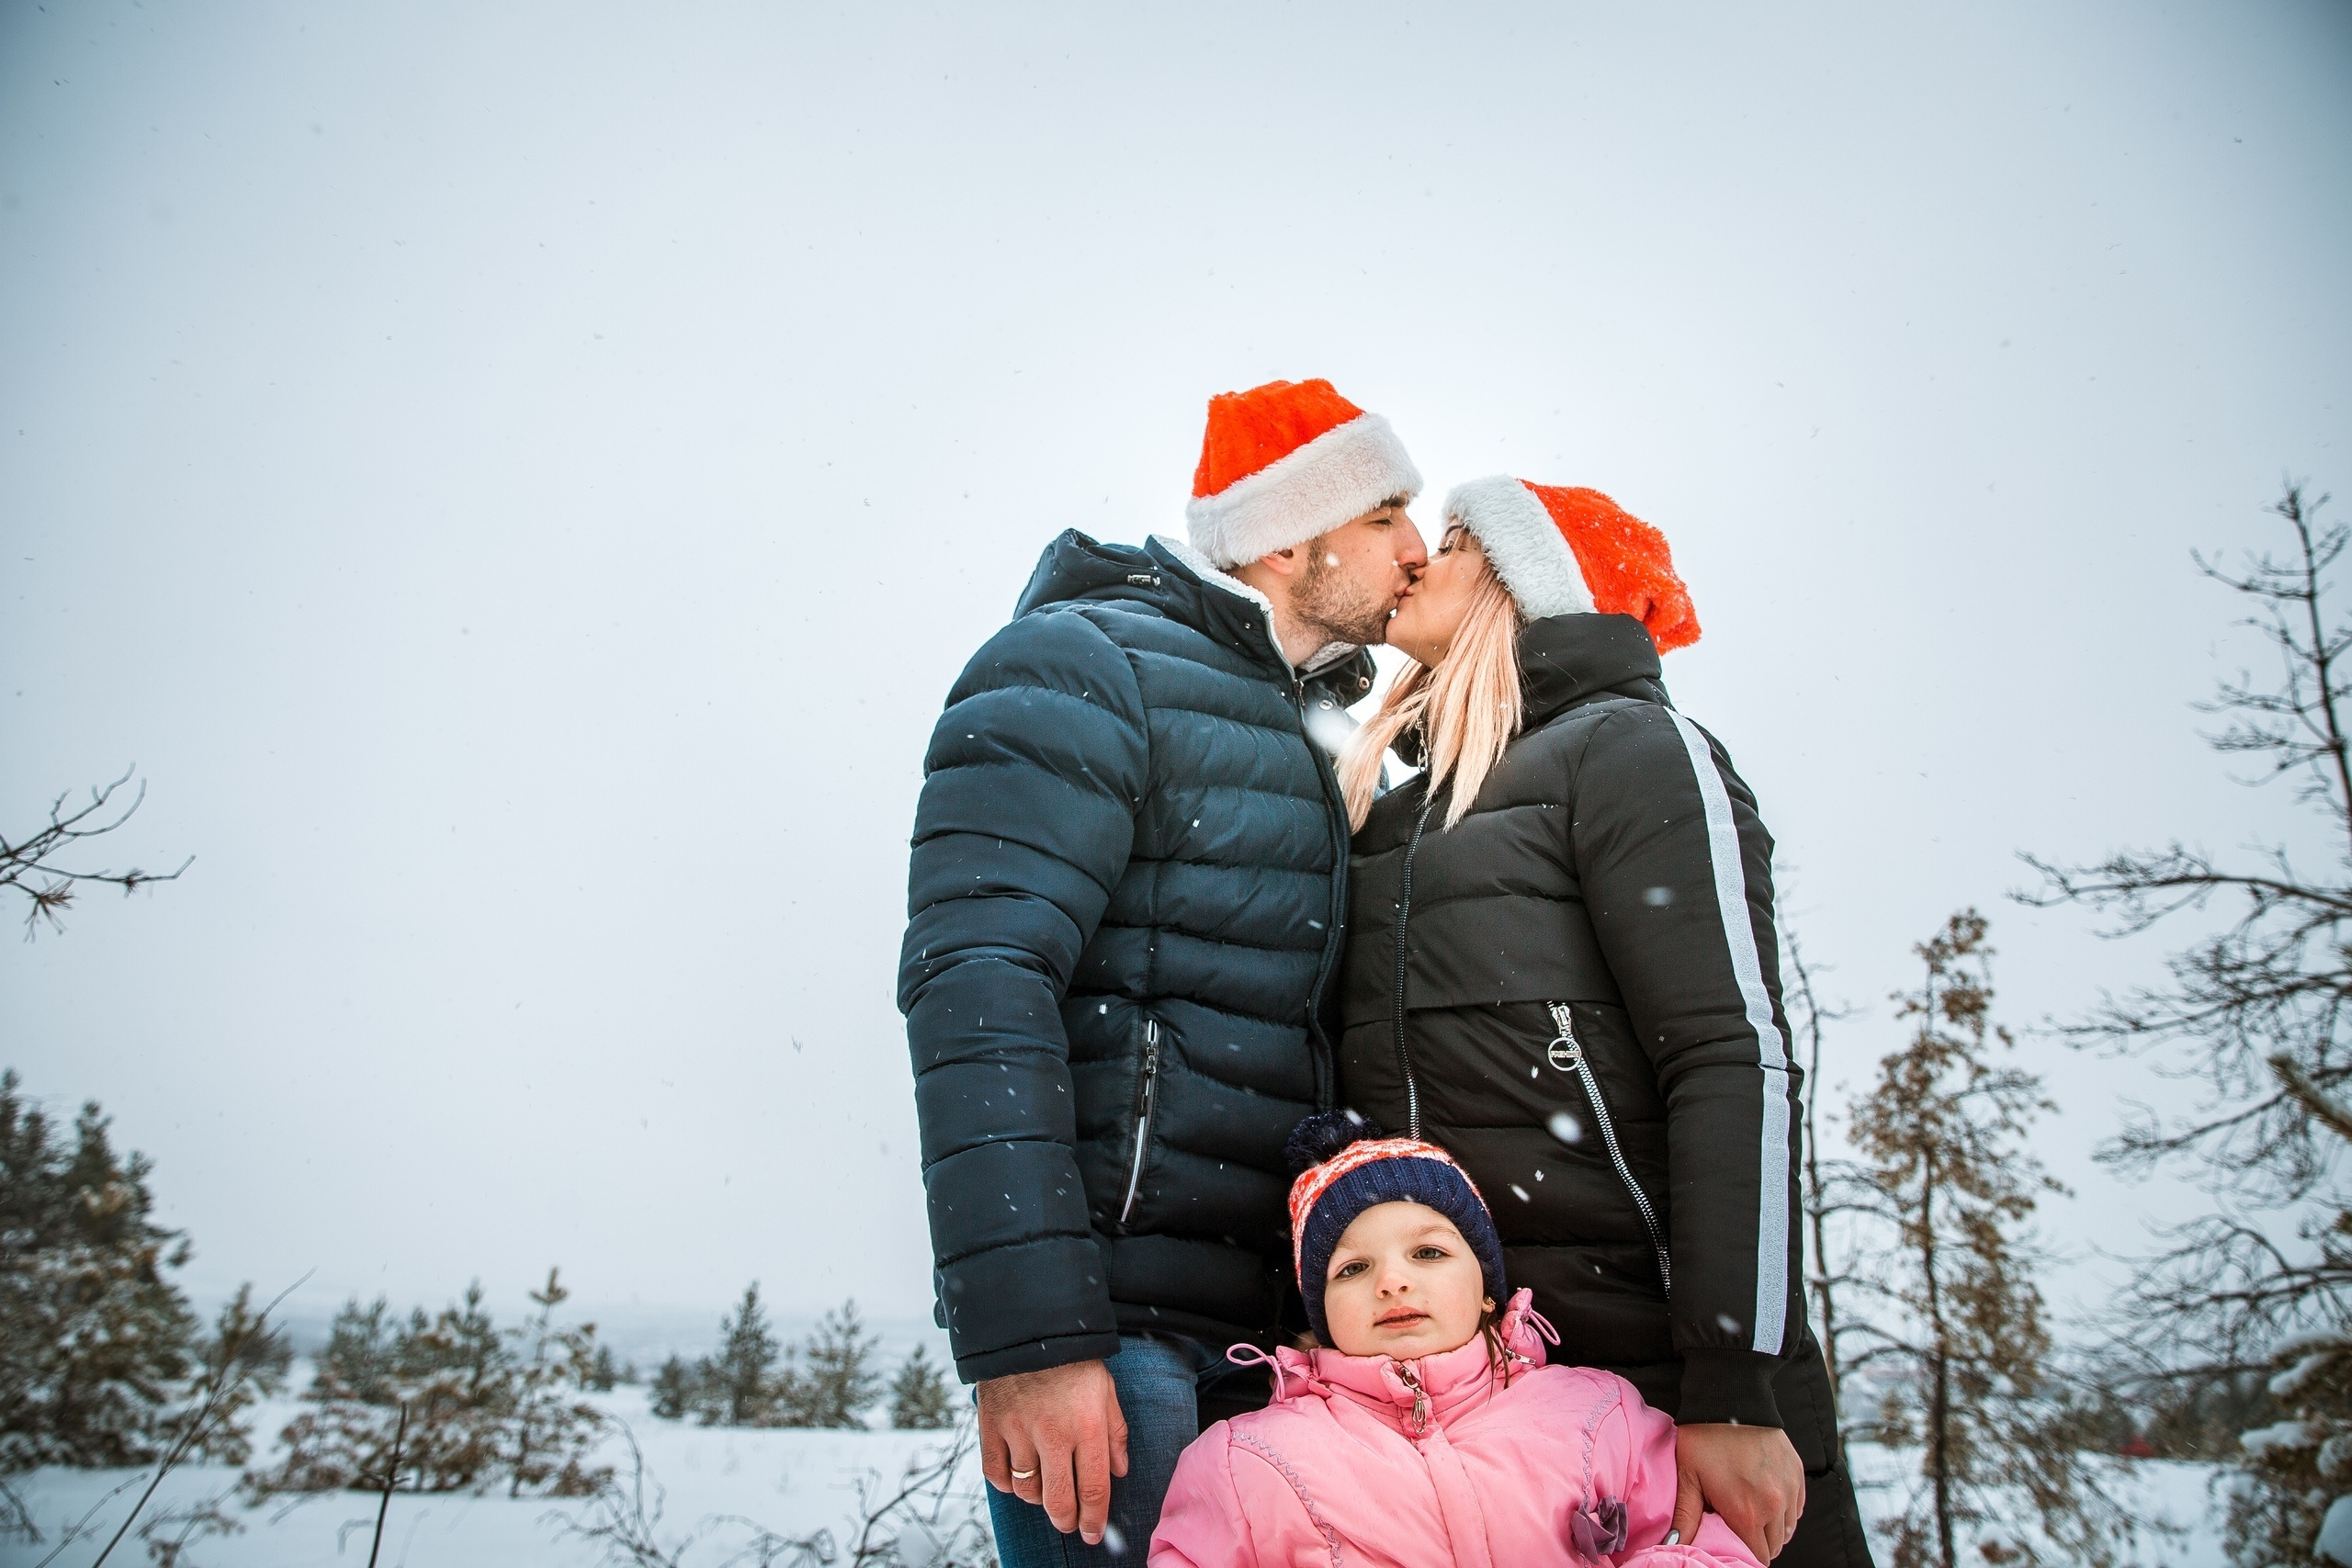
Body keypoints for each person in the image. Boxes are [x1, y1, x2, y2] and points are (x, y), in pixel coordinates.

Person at [897, 378, 1431, 1562]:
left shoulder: (1329, 741)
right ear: (1291, 538)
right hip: (1119, 1344)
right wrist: (1034, 1341)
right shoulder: (1082, 664)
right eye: (1389, 512)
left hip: (1288, 1352)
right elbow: (978, 979)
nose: (1416, 548)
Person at [1329, 478, 1874, 1565]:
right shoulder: (1395, 816)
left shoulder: (1631, 751)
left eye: (1452, 543)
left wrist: (1732, 1383)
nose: (1417, 563)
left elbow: (1730, 1059)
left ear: (1529, 581)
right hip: (1478, 1405)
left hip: (1667, 1390)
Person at [1148, 1114, 1766, 1568]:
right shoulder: (1243, 1459)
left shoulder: (1600, 1413)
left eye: (1428, 1251)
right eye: (1353, 1268)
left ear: (1488, 1289)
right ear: (1323, 1313)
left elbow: (1707, 1546)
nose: (1392, 1280)